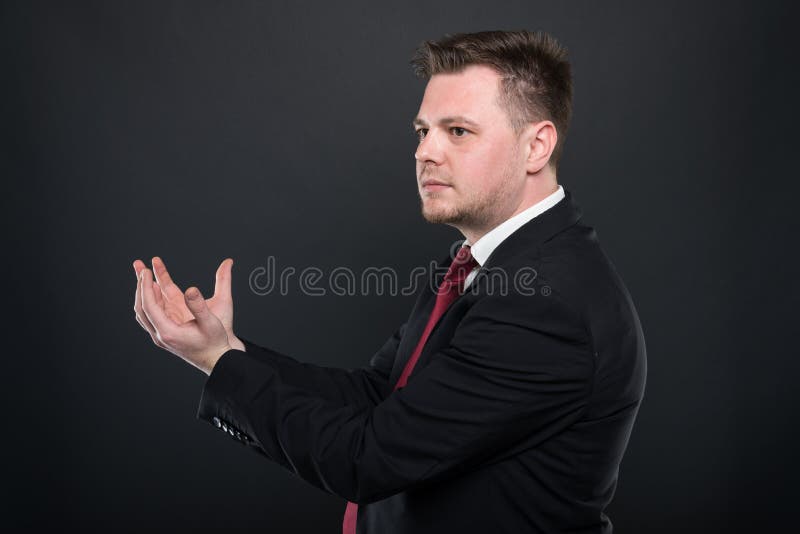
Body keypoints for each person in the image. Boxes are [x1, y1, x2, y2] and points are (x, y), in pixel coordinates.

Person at [132, 30, 646, 533]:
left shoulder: (546, 304)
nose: (425, 152)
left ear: (536, 146)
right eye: (423, 131)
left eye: (458, 131)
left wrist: (218, 366)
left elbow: (366, 458)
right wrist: (226, 350)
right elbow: (379, 394)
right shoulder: (476, 264)